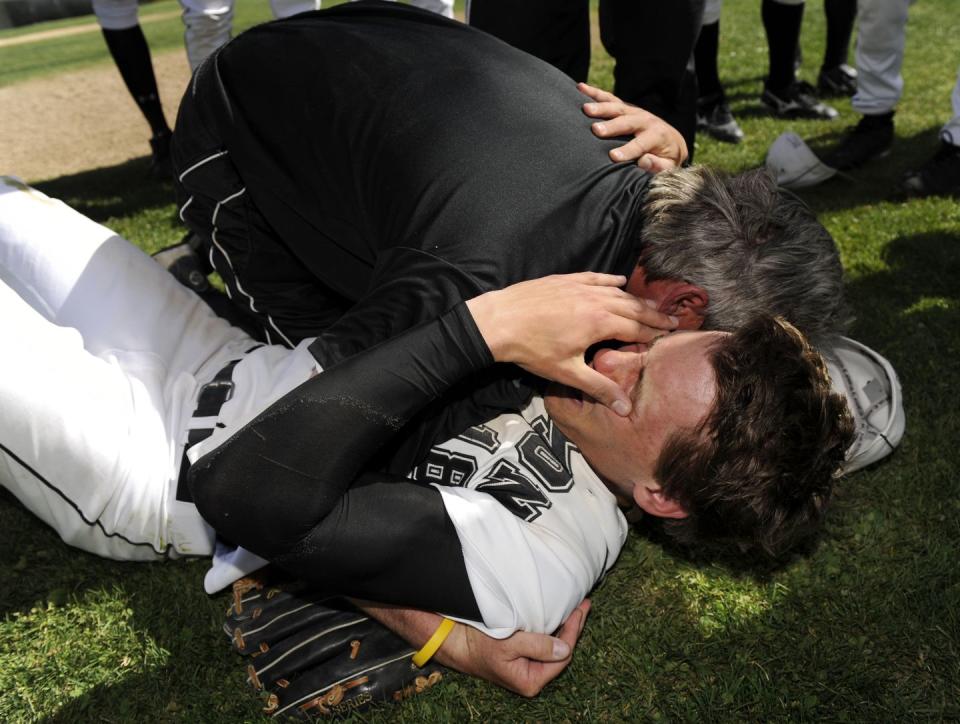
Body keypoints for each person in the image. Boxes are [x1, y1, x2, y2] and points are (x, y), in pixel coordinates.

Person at [0, 176, 853, 696]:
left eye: (638, 387)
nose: (623, 355)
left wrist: (477, 334)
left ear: (660, 494)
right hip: (220, 351)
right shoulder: (606, 356)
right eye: (660, 343)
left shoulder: (547, 558)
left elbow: (251, 495)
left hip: (152, 464)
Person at [172, 1, 848, 420]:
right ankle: (197, 273)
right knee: (333, 376)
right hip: (238, 126)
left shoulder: (655, 178)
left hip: (362, 58)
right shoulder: (478, 275)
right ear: (682, 306)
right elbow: (312, 416)